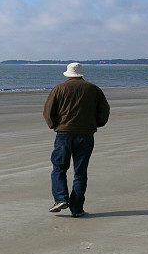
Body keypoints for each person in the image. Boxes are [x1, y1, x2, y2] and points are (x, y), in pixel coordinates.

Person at [43, 62, 110, 217]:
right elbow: (104, 110)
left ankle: (61, 198)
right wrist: (97, 124)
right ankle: (77, 209)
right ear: (81, 74)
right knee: (80, 172)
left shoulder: (59, 88)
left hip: (64, 134)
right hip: (86, 134)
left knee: (59, 168)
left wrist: (54, 125)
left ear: (68, 74)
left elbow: (48, 111)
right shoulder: (93, 89)